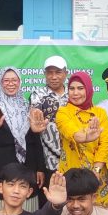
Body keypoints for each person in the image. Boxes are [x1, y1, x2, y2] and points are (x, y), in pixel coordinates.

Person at [0, 67, 42, 204]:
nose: (11, 84)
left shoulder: (27, 105)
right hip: (2, 166)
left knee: (27, 208)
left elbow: (34, 139)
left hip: (27, 166)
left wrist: (39, 168)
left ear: (20, 82)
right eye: (6, 80)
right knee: (3, 211)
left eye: (14, 80)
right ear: (0, 82)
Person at [56, 72, 108, 207]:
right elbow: (72, 132)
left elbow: (105, 143)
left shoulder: (100, 113)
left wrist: (97, 171)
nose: (76, 93)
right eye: (72, 88)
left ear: (88, 89)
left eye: (80, 88)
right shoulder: (63, 112)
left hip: (97, 175)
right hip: (72, 176)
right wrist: (85, 137)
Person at [30, 55, 69, 192]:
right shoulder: (38, 96)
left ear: (65, 73)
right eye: (50, 73)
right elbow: (34, 133)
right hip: (48, 161)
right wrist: (38, 166)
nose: (53, 77)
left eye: (58, 72)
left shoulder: (74, 93)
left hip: (73, 160)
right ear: (45, 74)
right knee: (50, 203)